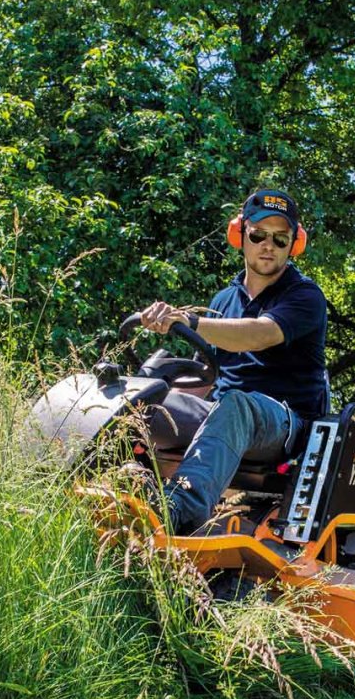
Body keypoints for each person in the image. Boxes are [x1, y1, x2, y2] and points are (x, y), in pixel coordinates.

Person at [138, 188, 330, 534]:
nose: (267, 245)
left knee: (237, 405)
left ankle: (180, 511)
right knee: (143, 401)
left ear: (294, 244)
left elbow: (258, 333)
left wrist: (188, 321)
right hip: (223, 410)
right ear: (240, 235)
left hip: (285, 424)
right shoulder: (224, 299)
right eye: (258, 235)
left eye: (280, 238)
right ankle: (117, 487)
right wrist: (154, 389)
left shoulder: (305, 296)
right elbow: (204, 376)